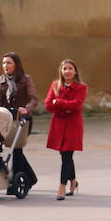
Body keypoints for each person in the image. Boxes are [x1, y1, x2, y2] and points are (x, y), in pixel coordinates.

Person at [0, 52, 39, 193]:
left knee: (17, 150)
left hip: (23, 120)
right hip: (7, 119)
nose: (5, 66)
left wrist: (27, 109)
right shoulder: (1, 80)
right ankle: (30, 178)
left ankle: (16, 181)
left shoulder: (26, 80)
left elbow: (33, 98)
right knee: (14, 149)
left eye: (9, 63)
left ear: (16, 65)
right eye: (3, 63)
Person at [45, 60, 87, 199]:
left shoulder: (81, 87)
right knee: (65, 156)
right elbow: (48, 105)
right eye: (65, 68)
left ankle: (61, 187)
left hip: (73, 126)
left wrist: (59, 102)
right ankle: (73, 181)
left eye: (70, 68)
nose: (67, 71)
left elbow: (76, 105)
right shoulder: (55, 85)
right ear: (61, 71)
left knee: (67, 156)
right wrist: (63, 106)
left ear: (75, 71)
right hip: (58, 124)